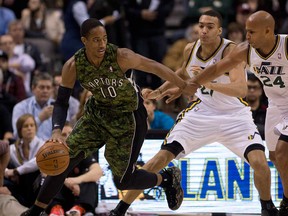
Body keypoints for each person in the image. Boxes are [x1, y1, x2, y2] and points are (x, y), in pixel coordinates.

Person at [110, 10, 278, 216]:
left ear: (219, 30)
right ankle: (120, 209)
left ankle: (268, 208)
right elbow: (182, 73)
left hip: (234, 117)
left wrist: (207, 82)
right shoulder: (191, 49)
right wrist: (161, 91)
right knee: (158, 160)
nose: (204, 30)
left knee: (260, 163)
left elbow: (240, 89)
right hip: (201, 114)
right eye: (201, 25)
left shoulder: (230, 50)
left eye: (209, 27)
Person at [21, 18, 190, 216]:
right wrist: (57, 130)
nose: (101, 44)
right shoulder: (73, 65)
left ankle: (166, 179)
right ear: (84, 41)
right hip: (97, 115)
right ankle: (35, 211)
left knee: (123, 180)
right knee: (63, 159)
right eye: (95, 40)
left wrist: (183, 85)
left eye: (104, 38)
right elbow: (61, 101)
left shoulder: (121, 56)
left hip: (128, 118)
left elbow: (153, 66)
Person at [173, 10, 288, 216]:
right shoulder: (245, 50)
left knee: (282, 151)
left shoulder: (285, 45)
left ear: (268, 31)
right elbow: (217, 68)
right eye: (246, 31)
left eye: (252, 32)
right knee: (275, 158)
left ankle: (286, 202)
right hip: (275, 105)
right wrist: (194, 82)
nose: (247, 36)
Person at [47, 122, 102, 216]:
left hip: (78, 194)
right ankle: (56, 209)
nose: (69, 137)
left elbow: (98, 171)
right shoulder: (51, 152)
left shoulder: (82, 151)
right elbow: (44, 172)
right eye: (64, 135)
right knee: (48, 179)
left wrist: (75, 181)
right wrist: (66, 182)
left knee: (91, 180)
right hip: (60, 194)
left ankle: (80, 209)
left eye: (71, 134)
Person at [5, 114, 45, 207]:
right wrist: (7, 172)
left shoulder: (42, 145)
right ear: (20, 130)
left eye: (32, 125)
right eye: (25, 126)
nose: (29, 128)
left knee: (31, 174)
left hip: (36, 184)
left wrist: (16, 171)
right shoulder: (13, 148)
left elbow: (37, 162)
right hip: (19, 185)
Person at [246, 73, 267, 140]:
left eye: (255, 87)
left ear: (261, 90)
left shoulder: (268, 109)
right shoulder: (237, 107)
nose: (252, 90)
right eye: (249, 87)